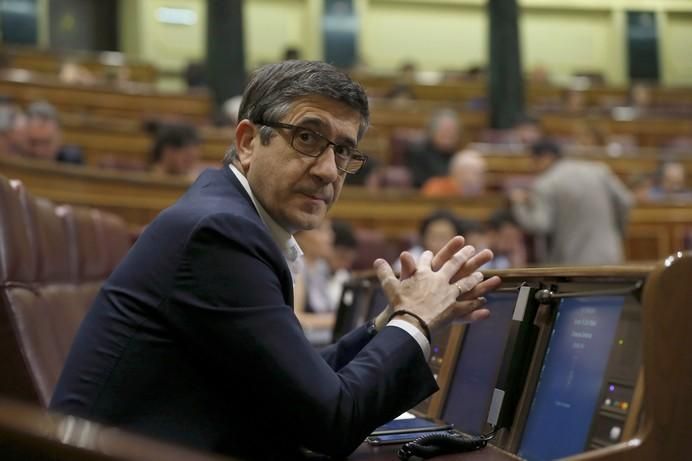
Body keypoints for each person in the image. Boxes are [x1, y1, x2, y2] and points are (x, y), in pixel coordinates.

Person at [51, 60, 500, 461]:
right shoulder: (220, 233)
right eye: (307, 137)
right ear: (248, 142)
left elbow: (299, 384)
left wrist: (388, 324)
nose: (328, 170)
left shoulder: (225, 214)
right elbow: (330, 421)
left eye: (343, 150)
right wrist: (414, 320)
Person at [509, 139, 633, 265]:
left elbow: (539, 225)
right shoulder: (599, 171)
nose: (532, 167)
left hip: (571, 262)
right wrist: (617, 233)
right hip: (610, 255)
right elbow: (626, 201)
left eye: (534, 161)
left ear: (546, 157)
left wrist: (519, 204)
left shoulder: (546, 183)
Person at [405, 108, 462, 188]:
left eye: (452, 132)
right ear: (433, 131)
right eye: (445, 131)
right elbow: (420, 182)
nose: (449, 136)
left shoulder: (459, 156)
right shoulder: (418, 152)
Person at [421, 148, 487, 197]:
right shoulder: (436, 188)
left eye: (476, 174)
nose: (470, 178)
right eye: (465, 172)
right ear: (454, 173)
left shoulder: (485, 196)